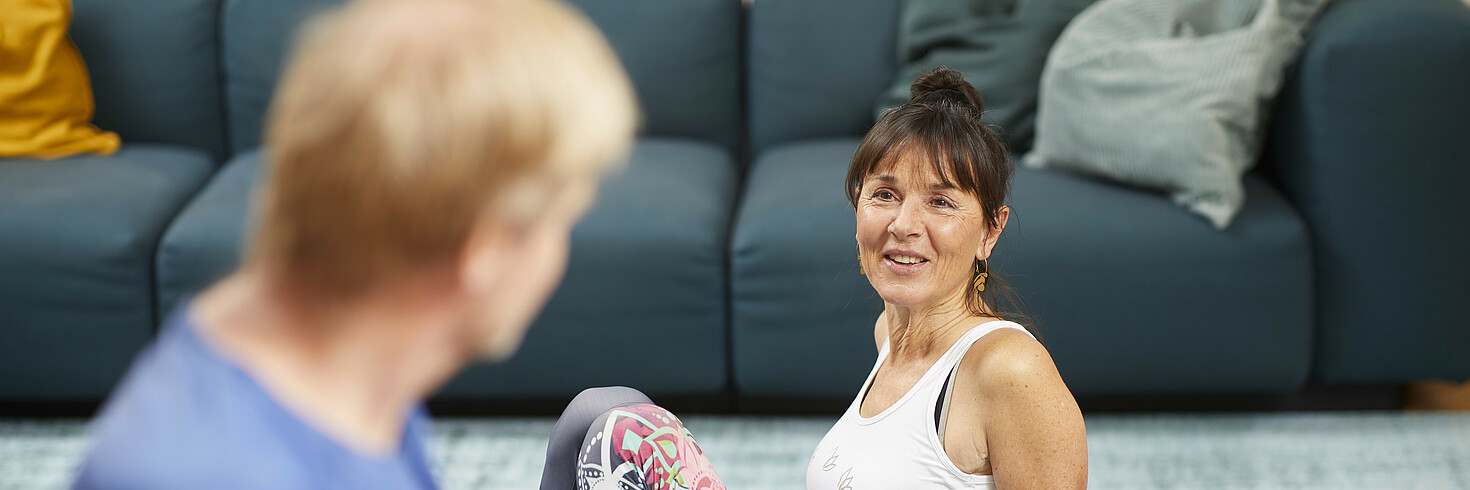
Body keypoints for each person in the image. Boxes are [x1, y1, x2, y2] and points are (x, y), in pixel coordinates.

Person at [70, 0, 638, 488]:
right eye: (561, 221)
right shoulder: (213, 471)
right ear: (484, 253)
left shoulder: (331, 360)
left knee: (602, 416)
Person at [805, 66, 1087, 489]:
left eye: (940, 201)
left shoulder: (1011, 371)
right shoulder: (889, 336)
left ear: (990, 232)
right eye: (885, 194)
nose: (904, 224)